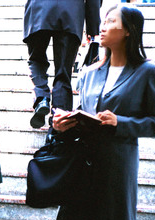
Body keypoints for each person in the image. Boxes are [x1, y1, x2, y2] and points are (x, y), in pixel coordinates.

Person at [52, 5, 155, 220]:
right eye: (102, 21)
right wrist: (65, 123)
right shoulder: (90, 72)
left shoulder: (148, 72)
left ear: (128, 30)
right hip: (84, 164)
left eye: (110, 21)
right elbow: (86, 114)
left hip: (117, 166)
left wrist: (122, 122)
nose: (102, 26)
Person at [23, 0, 101, 128]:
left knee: (36, 60)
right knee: (63, 73)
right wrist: (93, 29)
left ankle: (41, 98)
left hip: (38, 9)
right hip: (71, 12)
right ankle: (59, 122)